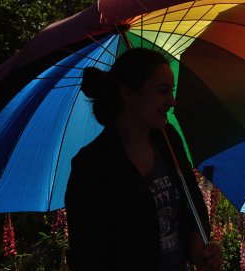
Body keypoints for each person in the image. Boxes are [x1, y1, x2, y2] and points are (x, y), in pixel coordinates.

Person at [65, 48, 222, 271]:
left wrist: (199, 252)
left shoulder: (168, 140)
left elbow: (192, 202)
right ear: (129, 94)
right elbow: (87, 255)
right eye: (162, 91)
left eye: (172, 91)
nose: (172, 101)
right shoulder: (90, 166)